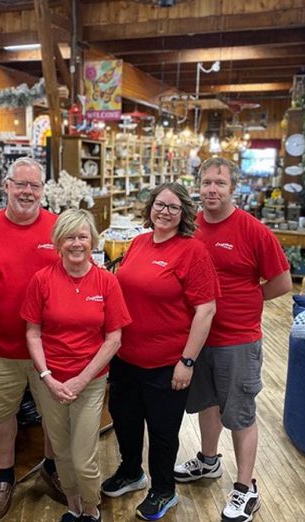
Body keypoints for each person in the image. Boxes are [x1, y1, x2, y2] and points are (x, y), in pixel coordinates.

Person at [174, 157, 292, 522]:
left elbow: (282, 283)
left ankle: (246, 487)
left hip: (237, 338)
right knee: (207, 403)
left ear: (233, 188)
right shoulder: (191, 227)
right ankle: (209, 461)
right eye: (206, 182)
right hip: (198, 337)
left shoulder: (253, 230)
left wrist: (245, 299)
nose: (212, 189)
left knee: (239, 413)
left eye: (219, 183)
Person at [102, 182, 219, 520]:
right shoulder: (138, 242)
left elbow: (205, 310)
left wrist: (187, 361)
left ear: (183, 214)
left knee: (163, 430)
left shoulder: (192, 251)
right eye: (159, 204)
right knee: (125, 420)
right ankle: (131, 471)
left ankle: (163, 490)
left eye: (172, 207)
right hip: (126, 357)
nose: (164, 211)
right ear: (150, 207)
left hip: (167, 362)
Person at [21, 209, 132, 522]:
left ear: (93, 241)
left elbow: (114, 339)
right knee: (62, 451)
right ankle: (73, 506)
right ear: (58, 242)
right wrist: (47, 377)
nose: (76, 243)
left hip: (90, 380)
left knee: (84, 458)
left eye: (83, 236)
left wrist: (81, 380)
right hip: (49, 381)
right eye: (69, 236)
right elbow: (32, 333)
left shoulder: (107, 282)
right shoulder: (42, 280)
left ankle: (92, 508)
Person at [0, 157, 63, 519]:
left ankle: (51, 470)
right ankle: (5, 478)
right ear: (6, 186)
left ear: (43, 190)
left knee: (54, 415)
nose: (27, 191)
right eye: (20, 184)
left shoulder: (59, 227)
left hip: (52, 348)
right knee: (1, 415)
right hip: (2, 347)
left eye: (34, 186)